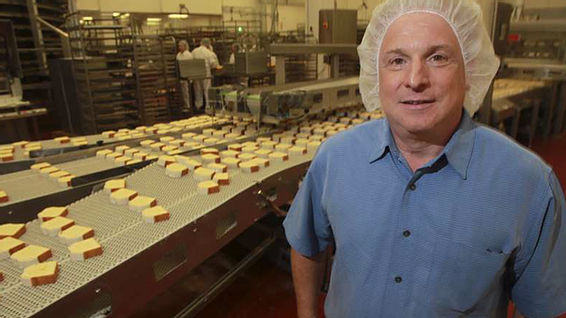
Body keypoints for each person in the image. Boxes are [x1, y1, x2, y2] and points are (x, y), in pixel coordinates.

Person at [282, 0, 566, 317]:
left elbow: (540, 306)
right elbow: (306, 245)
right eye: (397, 60)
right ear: (377, 75)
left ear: (469, 69)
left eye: (437, 57)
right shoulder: (335, 158)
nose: (415, 79)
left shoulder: (527, 183)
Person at [191, 38, 219, 110]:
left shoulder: (194, 51)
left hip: (196, 74)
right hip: (206, 74)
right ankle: (208, 106)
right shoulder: (209, 53)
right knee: (207, 90)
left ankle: (198, 105)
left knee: (197, 90)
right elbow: (214, 64)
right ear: (208, 45)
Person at [176, 40, 193, 111]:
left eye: (181, 46)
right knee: (183, 92)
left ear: (185, 46)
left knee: (186, 92)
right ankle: (185, 105)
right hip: (181, 76)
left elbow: (190, 66)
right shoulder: (178, 55)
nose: (179, 47)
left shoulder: (188, 55)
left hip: (187, 76)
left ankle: (189, 106)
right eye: (179, 46)